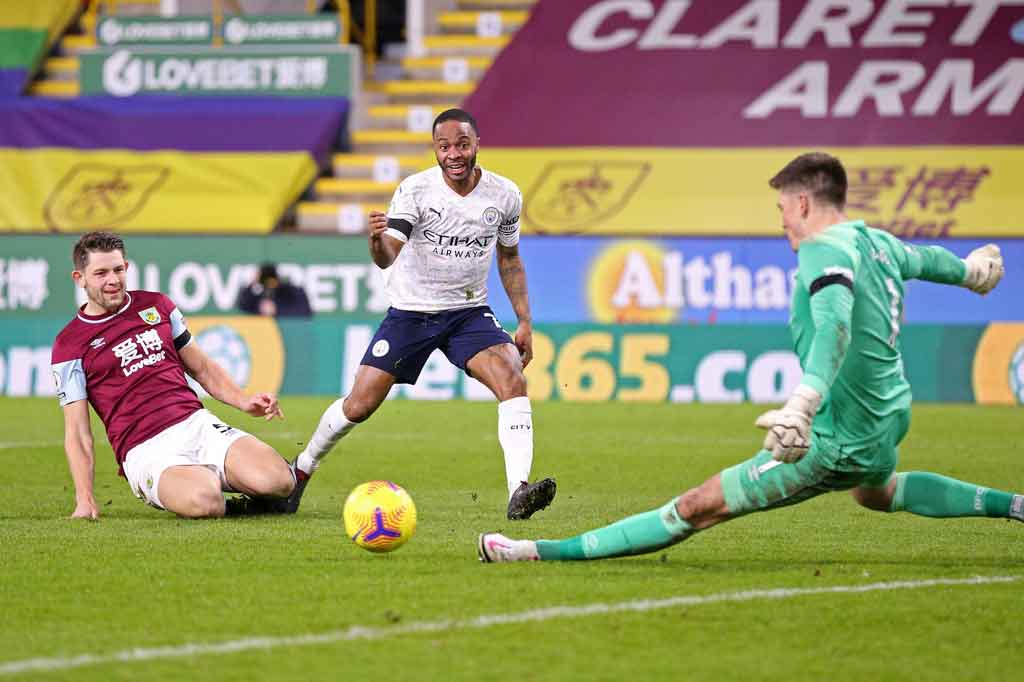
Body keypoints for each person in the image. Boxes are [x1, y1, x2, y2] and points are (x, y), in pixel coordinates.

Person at [478, 151, 1016, 562]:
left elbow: (834, 326)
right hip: (889, 417)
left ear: (803, 203)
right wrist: (971, 272)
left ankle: (534, 551)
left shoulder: (823, 250)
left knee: (694, 507)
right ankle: (1015, 505)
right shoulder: (877, 241)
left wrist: (802, 405)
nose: (781, 220)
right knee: (877, 493)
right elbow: (927, 260)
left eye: (782, 208)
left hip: (835, 438)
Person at [280, 108, 556, 520]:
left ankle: (518, 490)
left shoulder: (505, 195)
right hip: (411, 312)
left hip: (467, 312)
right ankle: (300, 472)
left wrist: (525, 321)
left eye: (462, 144)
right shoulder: (415, 191)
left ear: (477, 144)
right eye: (444, 147)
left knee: (512, 377)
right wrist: (375, 241)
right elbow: (388, 254)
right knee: (359, 405)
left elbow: (510, 258)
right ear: (435, 150)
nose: (454, 154)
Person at [52, 231, 295, 520]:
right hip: (145, 449)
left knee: (280, 481)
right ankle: (202, 488)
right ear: (79, 278)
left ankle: (209, 479)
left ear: (127, 268)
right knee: (206, 502)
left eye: (118, 269)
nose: (113, 280)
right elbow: (78, 432)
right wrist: (85, 499)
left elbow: (201, 368)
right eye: (101, 273)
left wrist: (244, 401)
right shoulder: (69, 344)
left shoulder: (157, 306)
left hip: (196, 424)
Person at [237, 263, 312, 318]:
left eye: (271, 281)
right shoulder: (257, 294)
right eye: (265, 281)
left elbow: (305, 311)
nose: (269, 285)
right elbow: (243, 306)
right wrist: (252, 285)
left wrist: (276, 309)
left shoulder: (291, 291)